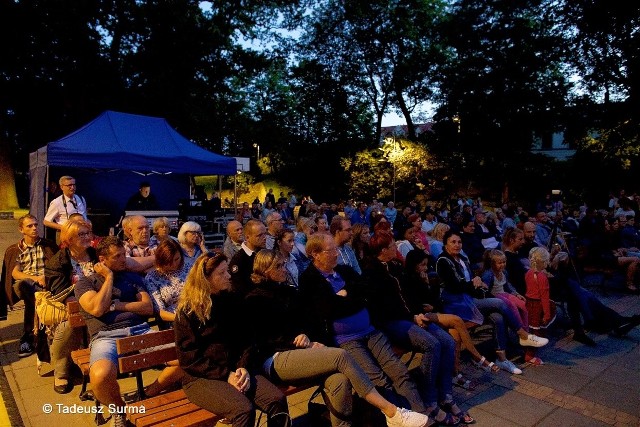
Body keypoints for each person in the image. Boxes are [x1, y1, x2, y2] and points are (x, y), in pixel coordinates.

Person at [245, 249, 429, 427]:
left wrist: (307, 336)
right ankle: (392, 412)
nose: (284, 269)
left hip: (304, 350)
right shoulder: (255, 300)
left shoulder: (289, 292)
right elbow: (263, 339)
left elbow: (308, 318)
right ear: (265, 271)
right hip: (276, 357)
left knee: (340, 381)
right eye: (278, 266)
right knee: (341, 356)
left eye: (283, 264)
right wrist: (296, 341)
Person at [298, 234, 429, 417]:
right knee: (377, 379)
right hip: (346, 340)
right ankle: (401, 418)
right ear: (315, 254)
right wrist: (349, 298)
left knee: (399, 371)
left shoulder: (344, 270)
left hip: (370, 330)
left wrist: (345, 295)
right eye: (331, 251)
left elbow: (366, 290)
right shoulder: (309, 279)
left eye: (336, 249)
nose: (336, 254)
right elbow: (328, 309)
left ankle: (420, 414)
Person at [362, 232, 467, 425]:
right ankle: (429, 401)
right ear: (383, 250)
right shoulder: (371, 272)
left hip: (412, 316)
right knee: (432, 344)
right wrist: (412, 316)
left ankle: (446, 395)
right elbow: (384, 307)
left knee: (448, 341)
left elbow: (409, 294)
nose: (397, 248)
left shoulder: (395, 266)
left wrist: (418, 312)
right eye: (393, 245)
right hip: (393, 322)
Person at [174, 252, 290, 427]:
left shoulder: (232, 300)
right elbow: (189, 359)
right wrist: (226, 375)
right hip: (202, 377)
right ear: (206, 278)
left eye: (227, 270)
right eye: (221, 273)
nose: (228, 275)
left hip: (236, 370)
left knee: (276, 399)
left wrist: (243, 366)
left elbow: (247, 338)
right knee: (243, 409)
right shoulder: (189, 311)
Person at [436, 230, 549, 375]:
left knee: (498, 317)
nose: (457, 245)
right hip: (456, 304)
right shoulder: (443, 261)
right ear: (445, 244)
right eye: (453, 242)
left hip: (469, 299)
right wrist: (473, 283)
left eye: (459, 242)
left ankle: (501, 359)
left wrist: (477, 284)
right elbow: (454, 286)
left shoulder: (463, 259)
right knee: (500, 303)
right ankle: (523, 334)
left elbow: (471, 284)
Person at [75, 236, 154, 427]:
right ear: (102, 260)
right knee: (101, 376)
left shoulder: (133, 278)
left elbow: (148, 308)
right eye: (118, 256)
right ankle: (119, 409)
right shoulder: (85, 284)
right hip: (106, 336)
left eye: (124, 254)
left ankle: (147, 393)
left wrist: (119, 306)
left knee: (184, 356)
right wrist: (109, 278)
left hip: (139, 330)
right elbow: (97, 309)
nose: (123, 259)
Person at [404, 250, 500, 384]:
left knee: (455, 334)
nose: (425, 268)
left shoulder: (424, 278)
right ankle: (477, 357)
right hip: (420, 317)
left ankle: (455, 373)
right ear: (413, 265)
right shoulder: (408, 280)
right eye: (422, 265)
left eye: (426, 265)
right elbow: (416, 305)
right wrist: (426, 298)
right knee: (457, 320)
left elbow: (434, 301)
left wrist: (428, 285)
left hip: (433, 312)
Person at [45, 219, 96, 393]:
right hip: (71, 307)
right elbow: (61, 293)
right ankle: (61, 372)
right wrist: (87, 303)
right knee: (70, 325)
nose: (87, 237)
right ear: (69, 239)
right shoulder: (57, 262)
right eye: (81, 234)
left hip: (99, 302)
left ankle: (100, 363)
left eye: (88, 233)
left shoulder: (96, 254)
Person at [142, 239, 187, 396]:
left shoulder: (187, 268)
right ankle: (152, 390)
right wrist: (181, 319)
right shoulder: (153, 277)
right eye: (169, 261)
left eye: (177, 259)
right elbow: (159, 311)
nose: (174, 264)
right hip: (173, 321)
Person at [12, 214, 59, 358]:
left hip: (46, 282)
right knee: (25, 285)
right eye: (29, 226)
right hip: (28, 284)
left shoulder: (47, 245)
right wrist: (35, 278)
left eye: (36, 225)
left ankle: (28, 336)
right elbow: (15, 273)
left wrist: (45, 277)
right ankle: (37, 331)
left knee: (32, 300)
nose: (34, 228)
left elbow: (57, 266)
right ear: (21, 229)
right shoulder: (18, 249)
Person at [523, 247, 557, 366]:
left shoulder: (528, 273)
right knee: (537, 331)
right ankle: (530, 355)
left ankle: (528, 351)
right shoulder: (542, 277)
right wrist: (547, 314)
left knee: (530, 329)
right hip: (538, 306)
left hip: (529, 303)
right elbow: (544, 297)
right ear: (543, 262)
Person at [229, 219, 267, 295]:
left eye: (265, 234)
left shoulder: (264, 252)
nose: (264, 237)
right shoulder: (238, 260)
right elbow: (240, 289)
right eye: (259, 235)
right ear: (247, 237)